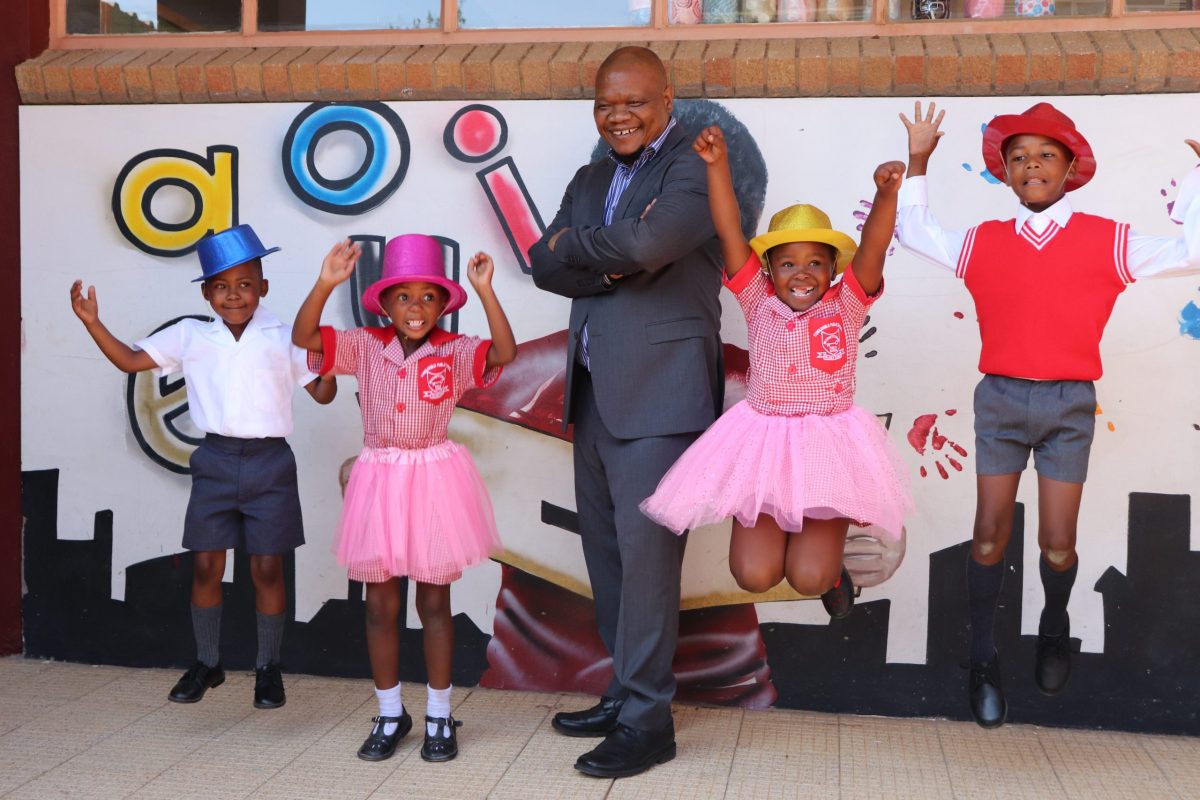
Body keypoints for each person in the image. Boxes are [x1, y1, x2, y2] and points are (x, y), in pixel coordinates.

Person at [897, 101, 1200, 728]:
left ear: (1070, 168)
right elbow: (916, 233)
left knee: (1057, 544)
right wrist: (918, 162)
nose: (1031, 165)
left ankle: (1054, 623)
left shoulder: (1107, 239)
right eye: (1018, 157)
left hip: (1068, 404)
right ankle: (984, 659)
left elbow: (1192, 252)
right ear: (1004, 172)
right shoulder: (983, 240)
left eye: (1045, 155)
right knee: (988, 534)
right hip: (1000, 400)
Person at [529, 45, 724, 779]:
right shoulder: (589, 178)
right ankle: (623, 692)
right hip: (593, 391)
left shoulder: (692, 168)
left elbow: (650, 242)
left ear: (667, 100)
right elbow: (542, 264)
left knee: (647, 567)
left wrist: (584, 249)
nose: (619, 116)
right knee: (609, 559)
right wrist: (607, 261)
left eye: (634, 102)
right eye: (606, 104)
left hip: (660, 397)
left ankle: (649, 722)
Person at [641, 125, 912, 621]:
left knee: (808, 577)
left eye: (815, 263)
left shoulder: (847, 304)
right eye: (787, 264)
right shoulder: (756, 298)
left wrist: (885, 195)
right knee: (754, 575)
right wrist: (717, 165)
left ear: (833, 270)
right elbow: (728, 230)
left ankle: (831, 572)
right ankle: (793, 546)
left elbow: (872, 248)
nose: (801, 273)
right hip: (763, 444)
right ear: (767, 270)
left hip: (828, 446)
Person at [69, 223, 336, 709]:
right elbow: (129, 361)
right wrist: (92, 322)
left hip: (270, 463)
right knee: (208, 564)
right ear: (206, 293)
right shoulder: (191, 335)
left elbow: (321, 393)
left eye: (245, 284)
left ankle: (268, 668)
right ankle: (208, 662)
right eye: (221, 286)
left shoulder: (283, 337)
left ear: (263, 287)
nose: (233, 295)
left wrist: (329, 366)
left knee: (267, 569)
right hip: (214, 461)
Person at [293, 234, 516, 763]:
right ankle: (391, 712)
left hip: (434, 481)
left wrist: (485, 290)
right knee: (380, 605)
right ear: (385, 303)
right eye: (404, 297)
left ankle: (439, 714)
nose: (416, 308)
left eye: (428, 297)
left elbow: (504, 353)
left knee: (434, 603)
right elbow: (305, 338)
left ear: (443, 305)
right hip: (380, 481)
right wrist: (325, 282)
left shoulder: (454, 351)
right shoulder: (364, 345)